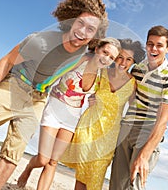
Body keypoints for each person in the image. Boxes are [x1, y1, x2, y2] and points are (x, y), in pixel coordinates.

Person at [0, 0, 108, 189]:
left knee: (14, 153)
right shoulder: (41, 42)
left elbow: (107, 60)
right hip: (16, 85)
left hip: (37, 99)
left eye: (90, 29)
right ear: (71, 20)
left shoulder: (82, 53)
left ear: (95, 36)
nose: (83, 32)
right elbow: (7, 60)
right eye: (80, 23)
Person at [17, 37, 121, 190]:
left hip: (72, 119)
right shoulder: (80, 59)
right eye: (105, 52)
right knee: (43, 159)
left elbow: (104, 97)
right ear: (97, 49)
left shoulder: (102, 76)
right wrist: (37, 89)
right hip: (53, 110)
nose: (106, 59)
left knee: (53, 162)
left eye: (111, 58)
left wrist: (94, 101)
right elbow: (55, 74)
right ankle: (28, 168)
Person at [60, 39, 145, 190]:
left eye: (129, 59)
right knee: (82, 173)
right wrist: (90, 98)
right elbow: (85, 86)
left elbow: (135, 111)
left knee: (97, 175)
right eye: (120, 57)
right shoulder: (102, 72)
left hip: (109, 136)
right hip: (88, 127)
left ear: (133, 61)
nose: (123, 62)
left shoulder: (133, 85)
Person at [109, 25, 168, 190]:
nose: (154, 48)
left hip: (147, 131)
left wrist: (144, 155)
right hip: (126, 127)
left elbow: (163, 121)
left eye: (159, 45)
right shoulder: (137, 69)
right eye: (150, 44)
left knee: (133, 185)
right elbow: (127, 95)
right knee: (115, 185)